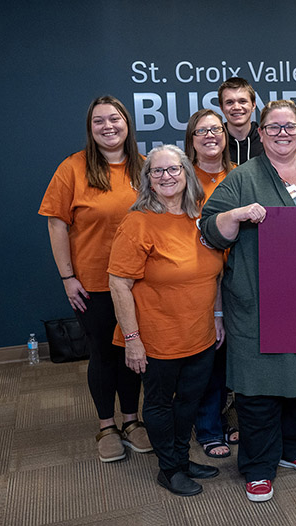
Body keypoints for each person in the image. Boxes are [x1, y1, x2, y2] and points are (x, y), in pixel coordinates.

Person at [199, 100, 296, 503]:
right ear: (260, 134)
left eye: (289, 127)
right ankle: (258, 466)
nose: (282, 134)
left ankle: (295, 447)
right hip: (255, 299)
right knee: (258, 387)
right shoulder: (241, 178)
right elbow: (209, 230)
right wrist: (239, 214)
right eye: (273, 128)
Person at [39, 95, 152, 463]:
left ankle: (132, 421)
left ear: (127, 123)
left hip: (141, 282)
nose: (108, 127)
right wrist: (67, 277)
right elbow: (56, 224)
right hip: (93, 282)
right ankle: (107, 426)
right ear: (90, 129)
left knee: (133, 352)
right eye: (99, 121)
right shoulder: (72, 168)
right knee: (104, 353)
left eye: (114, 119)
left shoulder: (146, 167)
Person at [108, 145, 225, 497]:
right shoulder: (138, 221)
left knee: (189, 400)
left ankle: (181, 458)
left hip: (200, 333)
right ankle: (169, 468)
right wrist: (132, 339)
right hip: (157, 337)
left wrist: (217, 316)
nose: (166, 177)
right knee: (160, 403)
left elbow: (214, 275)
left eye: (173, 169)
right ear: (148, 181)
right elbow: (118, 283)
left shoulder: (201, 217)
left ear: (187, 174)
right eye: (157, 172)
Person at [184, 109, 239, 459]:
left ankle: (227, 417)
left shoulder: (240, 176)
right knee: (210, 357)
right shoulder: (182, 178)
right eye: (201, 131)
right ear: (191, 140)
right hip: (202, 280)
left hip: (238, 278)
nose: (210, 136)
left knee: (235, 356)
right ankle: (207, 427)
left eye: (216, 130)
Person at [218, 77, 263, 165]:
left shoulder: (266, 140)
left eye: (242, 101)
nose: (237, 107)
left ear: (253, 105)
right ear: (221, 108)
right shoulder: (215, 142)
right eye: (229, 102)